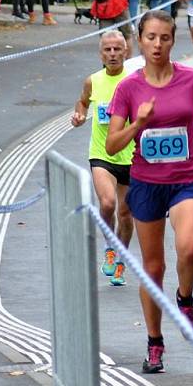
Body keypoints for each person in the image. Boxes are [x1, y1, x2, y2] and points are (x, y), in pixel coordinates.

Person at [105, 10, 193, 374]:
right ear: (139, 40)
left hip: (184, 181)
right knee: (153, 269)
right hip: (146, 184)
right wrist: (139, 124)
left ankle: (185, 298)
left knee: (190, 248)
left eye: (164, 38)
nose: (157, 44)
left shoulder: (192, 79)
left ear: (173, 41)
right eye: (150, 38)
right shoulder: (127, 88)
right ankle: (155, 342)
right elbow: (113, 145)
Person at [71, 30, 135, 286]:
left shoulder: (134, 80)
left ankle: (121, 260)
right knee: (107, 204)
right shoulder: (93, 81)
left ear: (126, 52)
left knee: (126, 214)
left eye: (117, 49)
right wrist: (79, 116)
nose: (112, 54)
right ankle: (109, 247)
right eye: (107, 50)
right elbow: (83, 102)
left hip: (132, 156)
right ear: (100, 54)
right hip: (102, 154)